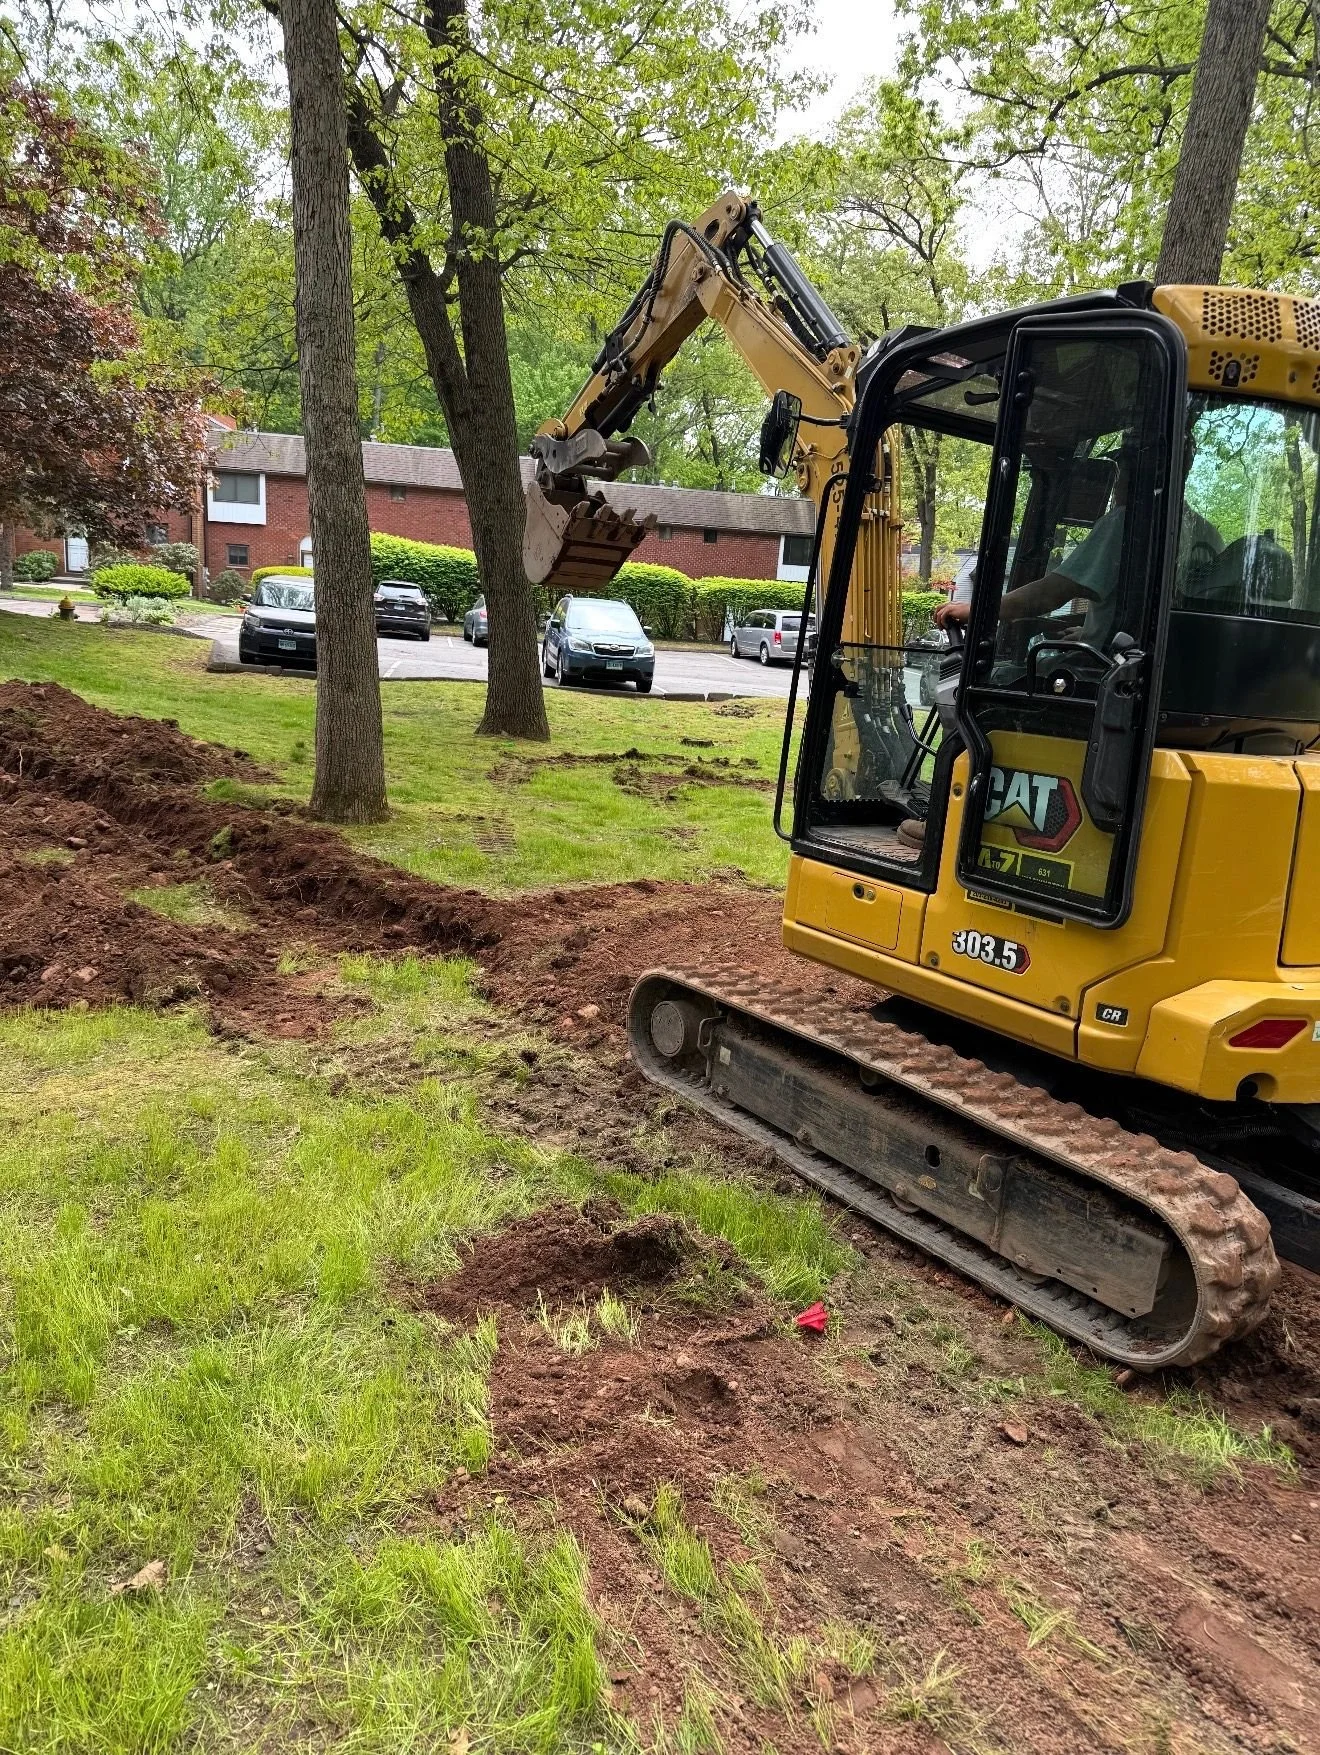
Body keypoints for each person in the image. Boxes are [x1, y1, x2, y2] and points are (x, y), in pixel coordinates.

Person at [934, 441, 1221, 641]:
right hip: (1146, 669)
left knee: (1007, 676)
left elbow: (1050, 594)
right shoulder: (1208, 534)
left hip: (1110, 678)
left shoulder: (1127, 523)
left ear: (1141, 472)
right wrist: (1093, 629)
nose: (1116, 483)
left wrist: (976, 610)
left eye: (1120, 471)